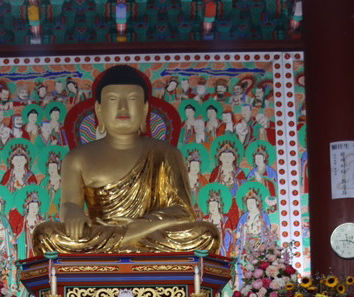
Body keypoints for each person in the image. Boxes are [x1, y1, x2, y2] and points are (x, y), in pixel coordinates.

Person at [31, 64, 220, 254]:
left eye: (132, 99)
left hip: (149, 233)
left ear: (145, 109)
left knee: (207, 234)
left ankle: (128, 238)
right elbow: (69, 204)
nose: (123, 107)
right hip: (102, 234)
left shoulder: (166, 153)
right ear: (99, 109)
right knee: (44, 235)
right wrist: (72, 213)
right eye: (113, 99)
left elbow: (183, 212)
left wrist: (144, 224)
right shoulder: (77, 158)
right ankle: (128, 238)